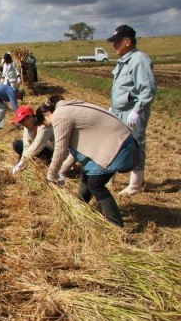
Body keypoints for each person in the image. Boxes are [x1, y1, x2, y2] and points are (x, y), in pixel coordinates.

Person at [37, 98, 139, 227]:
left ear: (46, 115)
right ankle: (79, 209)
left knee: (96, 184)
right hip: (116, 142)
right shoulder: (69, 108)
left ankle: (116, 224)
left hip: (117, 146)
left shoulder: (59, 115)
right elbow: (76, 151)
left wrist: (51, 175)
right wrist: (62, 171)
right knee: (88, 173)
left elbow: (60, 148)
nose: (51, 127)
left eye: (47, 124)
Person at [107, 24, 157, 196]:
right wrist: (113, 106)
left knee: (135, 145)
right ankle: (109, 176)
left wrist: (137, 111)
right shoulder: (124, 61)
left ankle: (135, 184)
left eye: (116, 42)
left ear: (127, 42)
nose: (113, 45)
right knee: (115, 143)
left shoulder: (139, 60)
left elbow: (147, 88)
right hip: (118, 111)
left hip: (132, 112)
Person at [11, 102, 74, 177]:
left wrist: (23, 161)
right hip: (42, 148)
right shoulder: (26, 127)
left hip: (55, 150)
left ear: (30, 117)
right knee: (17, 144)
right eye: (20, 122)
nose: (22, 124)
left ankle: (53, 163)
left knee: (36, 147)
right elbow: (26, 145)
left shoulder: (43, 124)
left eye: (23, 121)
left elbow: (38, 144)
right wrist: (23, 161)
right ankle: (39, 160)